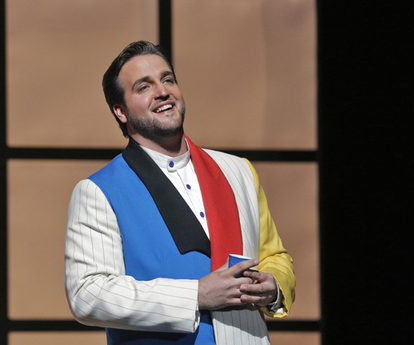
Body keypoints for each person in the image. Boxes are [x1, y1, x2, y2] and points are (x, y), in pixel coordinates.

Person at [64, 40, 295, 345]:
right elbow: (87, 294)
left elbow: (274, 255)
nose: (162, 91)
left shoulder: (238, 170)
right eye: (144, 87)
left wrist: (274, 285)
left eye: (168, 79)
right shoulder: (98, 192)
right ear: (121, 111)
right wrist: (196, 295)